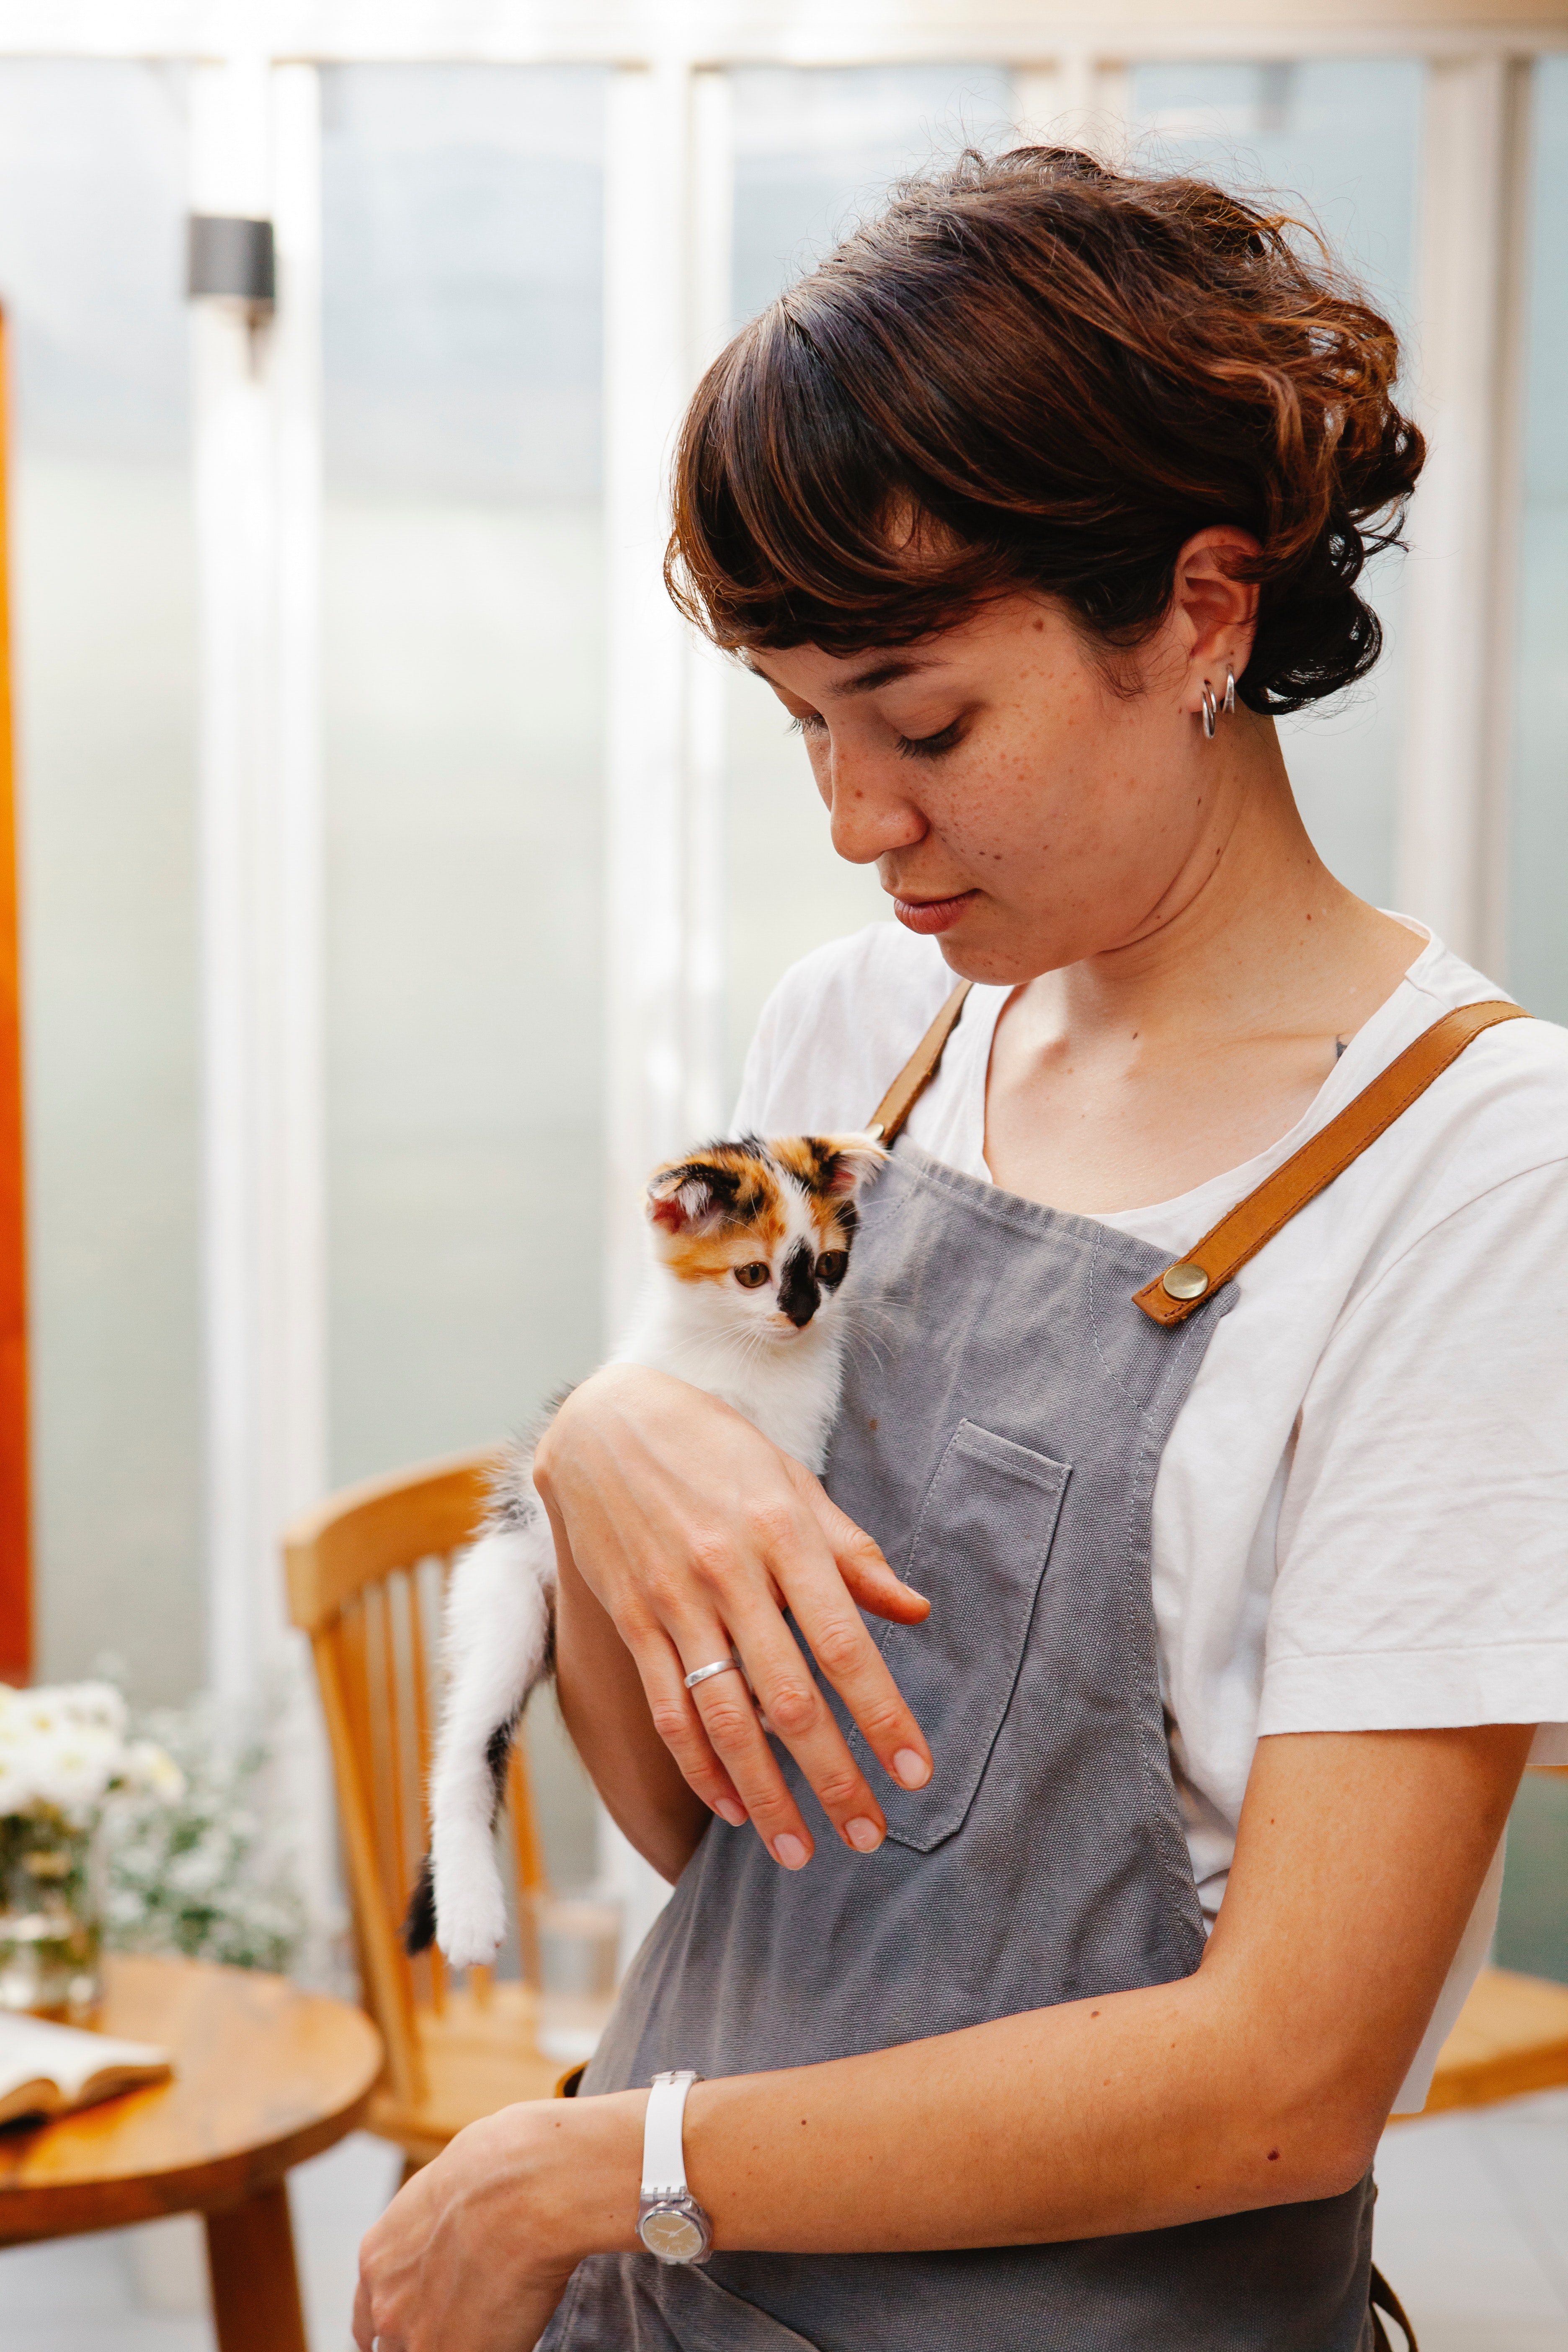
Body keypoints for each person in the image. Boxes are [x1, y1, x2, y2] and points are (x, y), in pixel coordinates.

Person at [353, 148, 1568, 2352]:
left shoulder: (1492, 1171)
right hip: (677, 2292)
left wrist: (592, 2165)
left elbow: (1287, 2084)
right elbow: (704, 1828)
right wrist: (611, 1438)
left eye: (922, 722)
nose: (854, 819)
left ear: (1200, 613)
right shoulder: (849, 1037)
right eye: (804, 722)